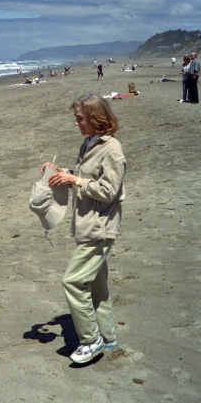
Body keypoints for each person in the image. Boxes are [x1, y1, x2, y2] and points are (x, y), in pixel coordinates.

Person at [41, 93, 126, 364]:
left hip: (100, 227)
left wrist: (75, 180)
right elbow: (81, 175)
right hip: (87, 225)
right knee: (97, 286)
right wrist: (59, 172)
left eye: (79, 118)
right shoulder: (88, 143)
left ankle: (91, 340)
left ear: (95, 118)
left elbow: (110, 191)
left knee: (73, 281)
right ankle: (109, 339)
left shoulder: (112, 148)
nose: (76, 123)